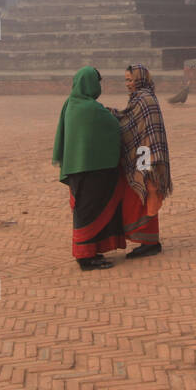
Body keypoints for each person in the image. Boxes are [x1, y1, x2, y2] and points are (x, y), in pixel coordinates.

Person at [52, 66, 125, 271]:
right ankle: (85, 257)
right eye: (97, 82)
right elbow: (113, 127)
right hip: (92, 170)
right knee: (90, 212)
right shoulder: (91, 109)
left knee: (84, 211)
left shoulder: (71, 104)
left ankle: (89, 251)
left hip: (76, 168)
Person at [111, 64, 172, 258]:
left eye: (131, 80)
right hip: (145, 153)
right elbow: (131, 122)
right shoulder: (142, 98)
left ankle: (150, 242)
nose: (128, 84)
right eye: (126, 80)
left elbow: (129, 125)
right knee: (144, 194)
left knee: (146, 192)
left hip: (147, 155)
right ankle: (149, 240)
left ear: (140, 79)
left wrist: (111, 116)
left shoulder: (144, 100)